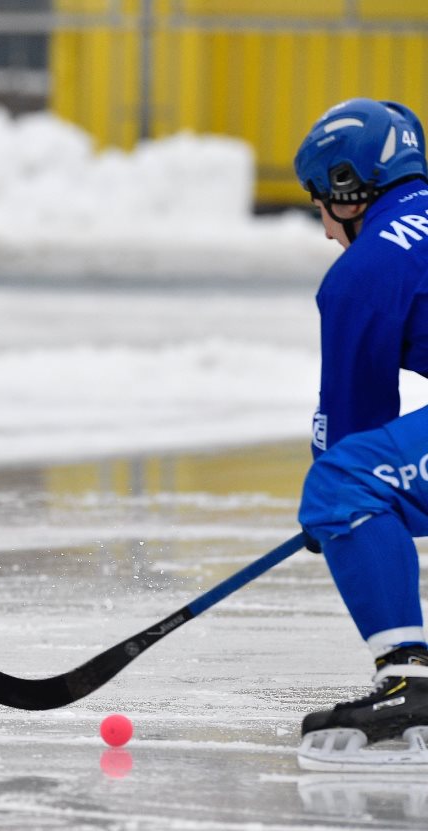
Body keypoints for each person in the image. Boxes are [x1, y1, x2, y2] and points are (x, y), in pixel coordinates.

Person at [291, 97, 428, 768]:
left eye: (321, 201)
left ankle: (408, 677)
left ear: (347, 187)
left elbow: (353, 429)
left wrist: (332, 519)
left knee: (344, 485)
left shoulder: (363, 270)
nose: (324, 226)